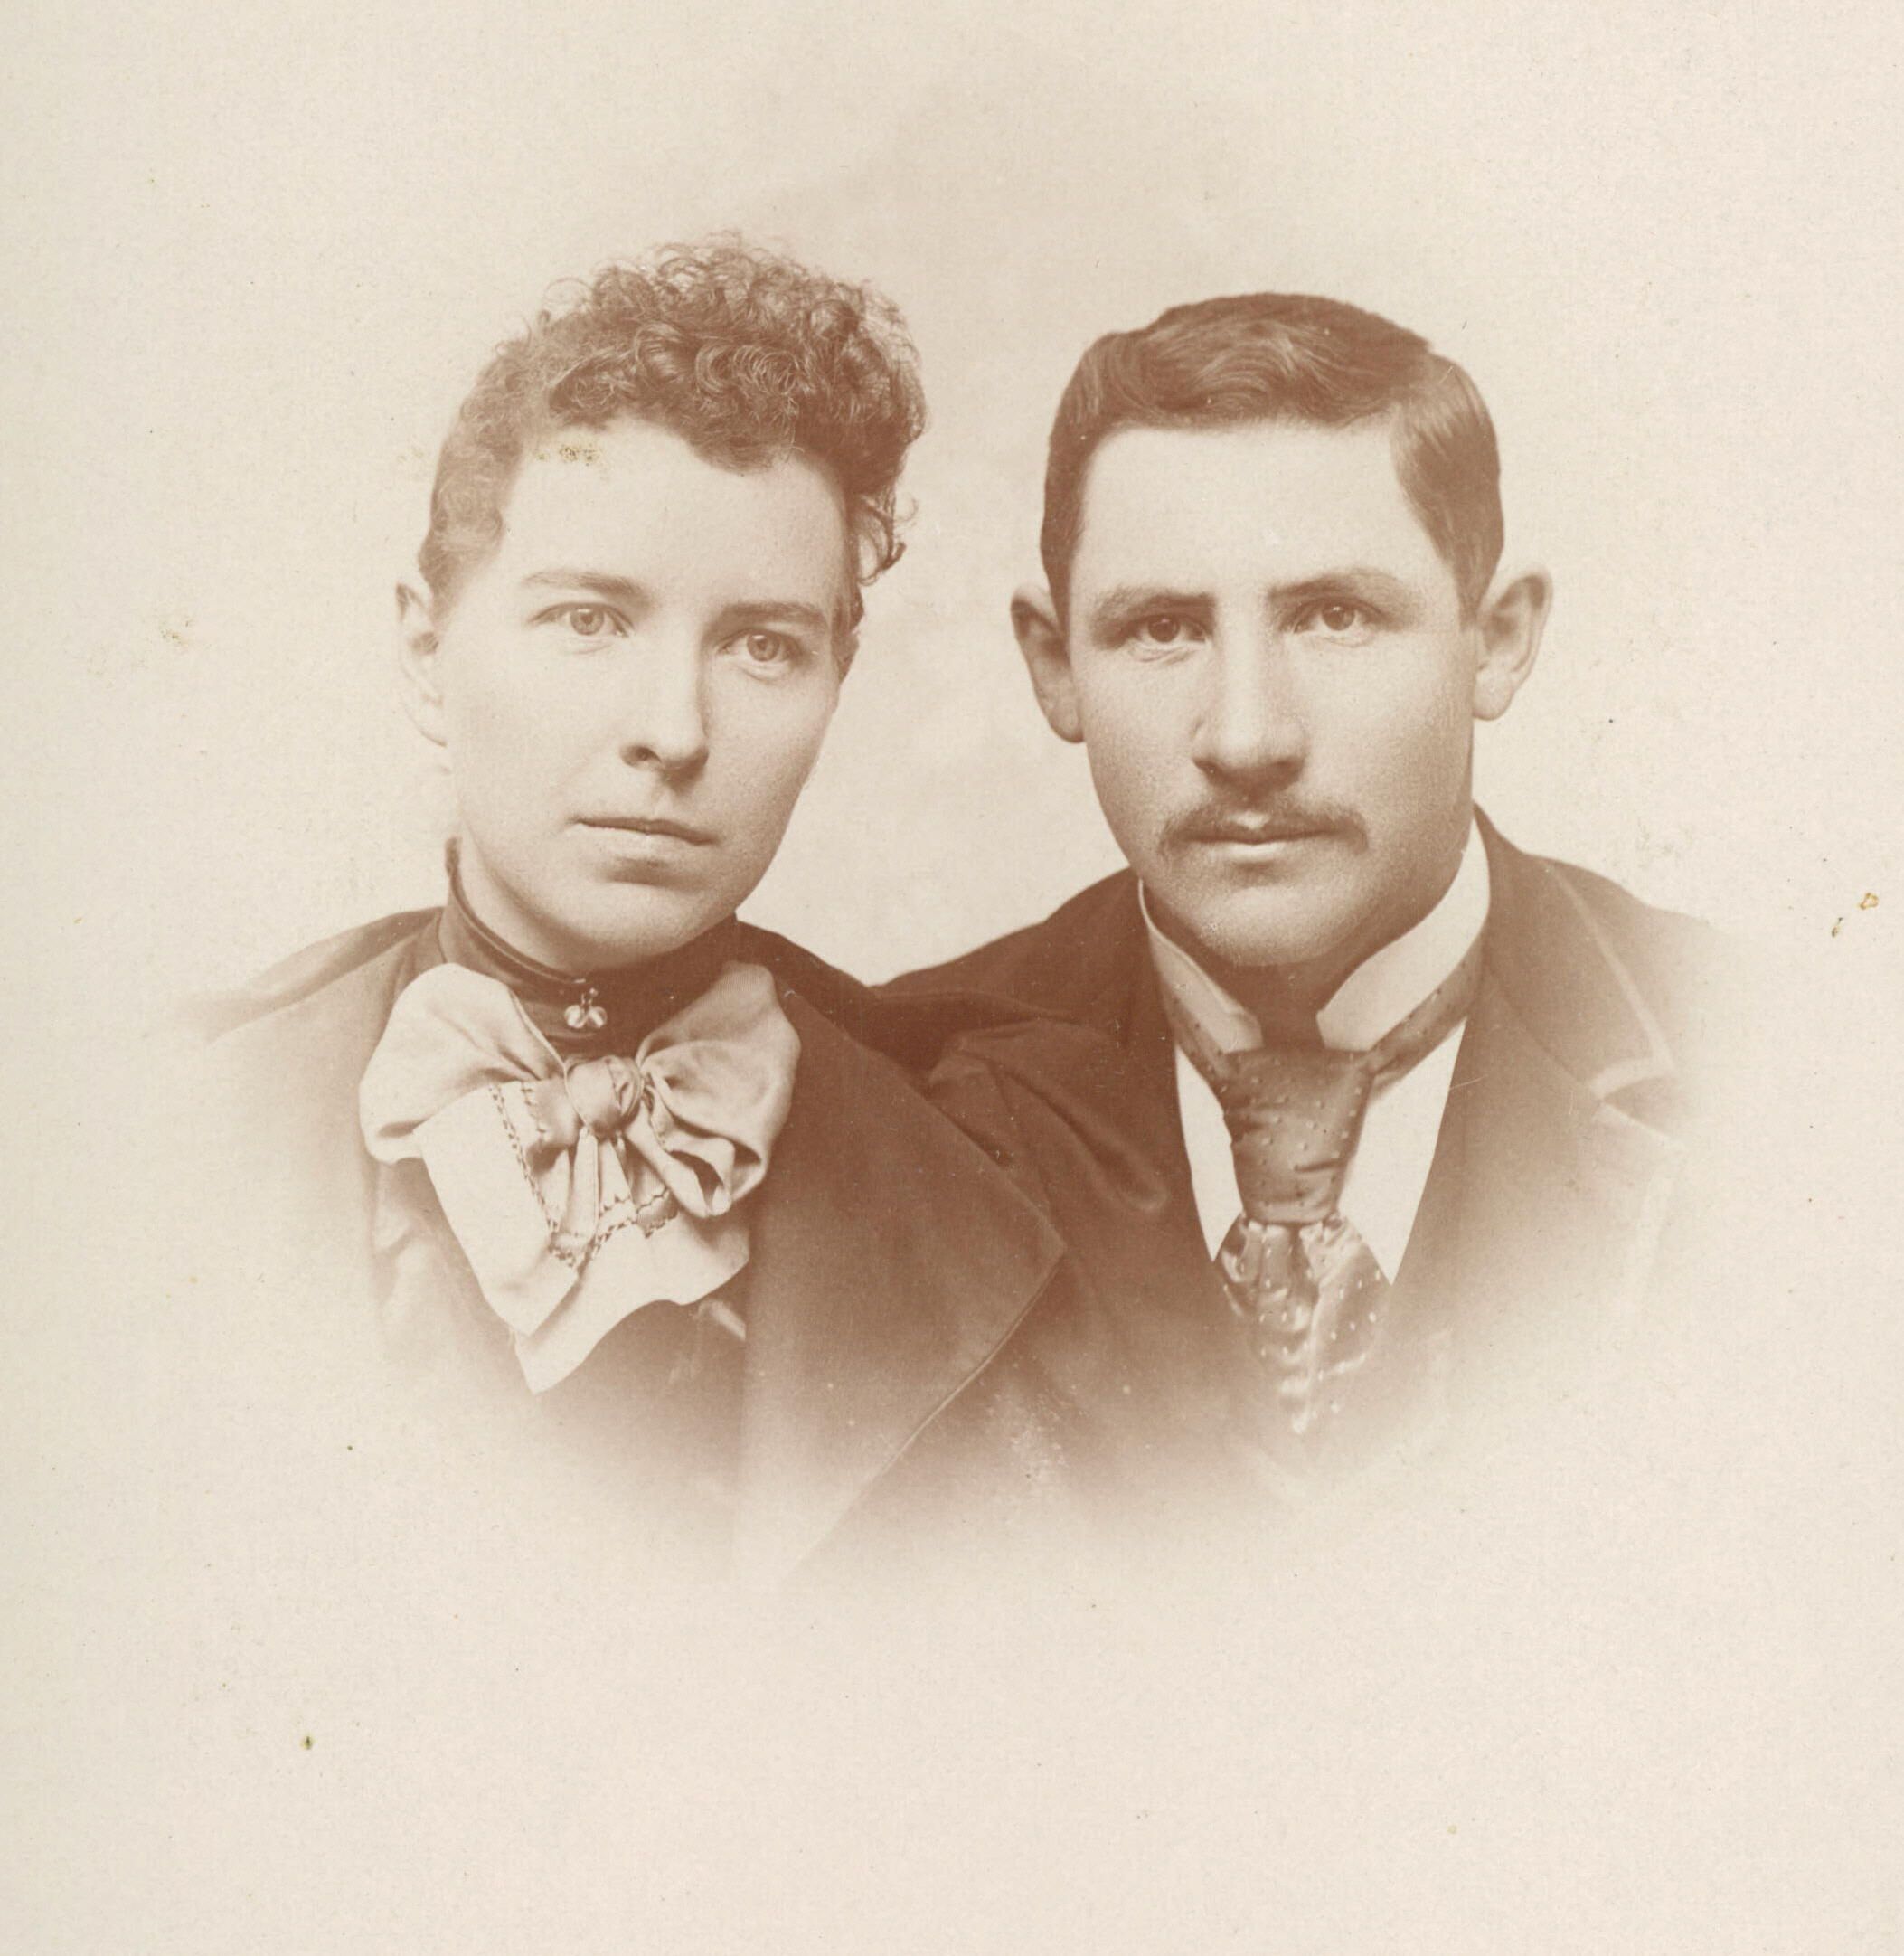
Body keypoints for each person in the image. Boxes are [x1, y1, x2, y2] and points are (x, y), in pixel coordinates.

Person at [189, 241, 1135, 1589]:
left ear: (838, 673)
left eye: (762, 645)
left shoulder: (1002, 1159)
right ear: (425, 651)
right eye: (589, 622)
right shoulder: (150, 1137)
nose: (674, 732)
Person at [888, 291, 1733, 1510]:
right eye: (1163, 628)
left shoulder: (1786, 1068)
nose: (1246, 738)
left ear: (1497, 640)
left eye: (1337, 617)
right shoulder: (887, 1107)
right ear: (1054, 665)